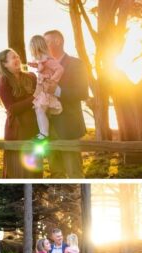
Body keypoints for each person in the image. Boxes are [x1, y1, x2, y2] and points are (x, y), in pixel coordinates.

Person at [43, 29, 89, 178]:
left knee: (74, 172)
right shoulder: (44, 66)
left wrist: (58, 91)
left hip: (68, 128)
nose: (43, 46)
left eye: (46, 42)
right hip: (49, 128)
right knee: (55, 174)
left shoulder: (76, 64)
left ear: (58, 41)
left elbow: (83, 93)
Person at [0, 49, 42, 179]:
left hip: (35, 129)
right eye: (13, 58)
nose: (17, 59)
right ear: (5, 64)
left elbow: (42, 96)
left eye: (17, 56)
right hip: (17, 130)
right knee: (17, 170)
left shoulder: (31, 77)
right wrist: (34, 97)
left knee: (34, 170)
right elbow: (12, 109)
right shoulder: (3, 81)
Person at [27, 34, 64, 140]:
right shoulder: (43, 61)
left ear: (36, 48)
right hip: (42, 90)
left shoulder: (48, 60)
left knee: (40, 109)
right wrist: (35, 65)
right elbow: (42, 67)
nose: (32, 52)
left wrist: (53, 80)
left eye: (32, 49)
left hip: (46, 90)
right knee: (39, 110)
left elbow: (60, 69)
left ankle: (44, 133)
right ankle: (43, 132)